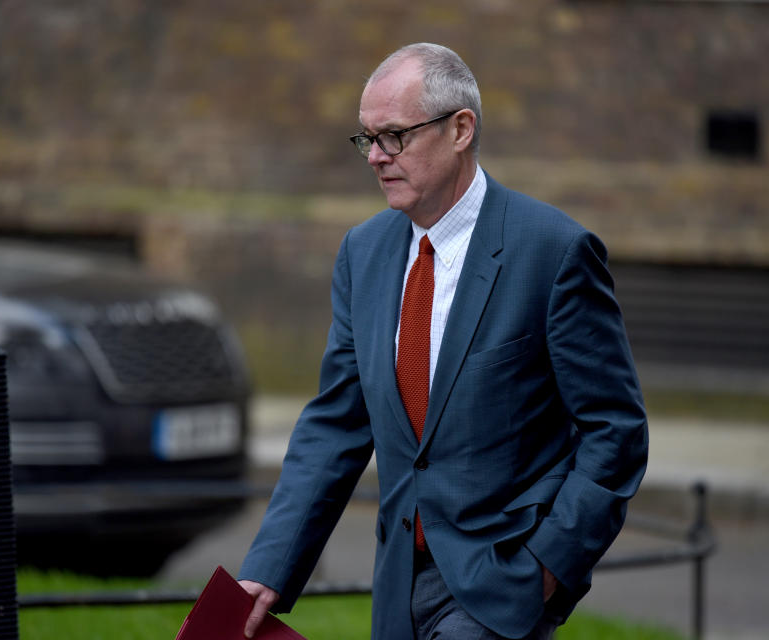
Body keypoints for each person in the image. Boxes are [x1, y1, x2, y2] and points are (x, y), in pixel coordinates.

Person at [237, 42, 648, 640]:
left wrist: (548, 568)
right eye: (366, 139)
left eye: (394, 136)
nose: (376, 157)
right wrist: (270, 568)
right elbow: (335, 426)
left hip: (503, 581)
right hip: (398, 584)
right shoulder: (364, 252)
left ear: (460, 129)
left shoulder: (553, 251)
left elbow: (615, 430)